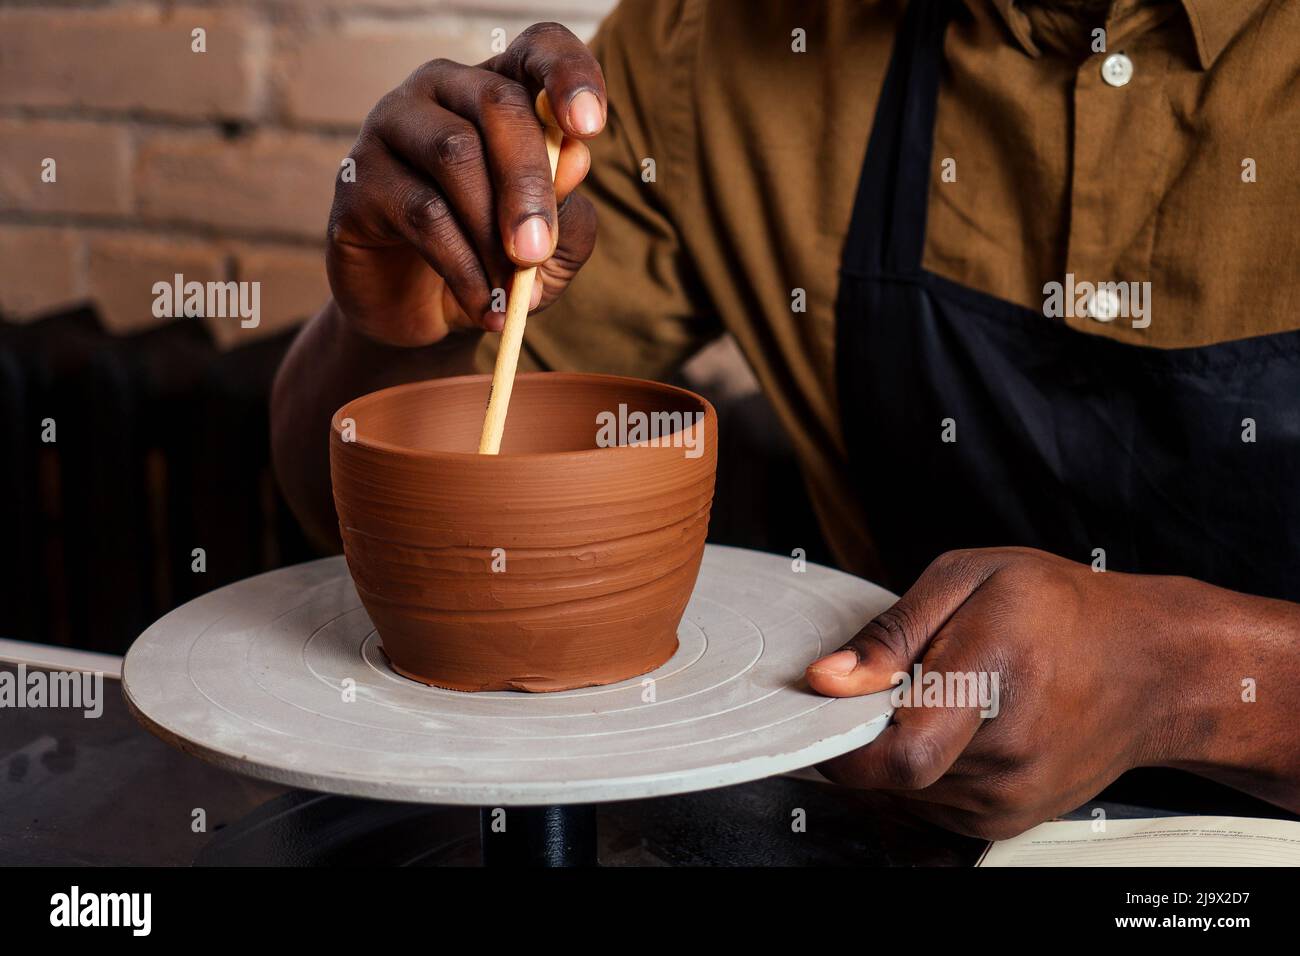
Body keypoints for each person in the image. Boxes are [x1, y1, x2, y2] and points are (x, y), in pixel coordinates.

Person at [271, 0, 1300, 838]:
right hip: (897, 826)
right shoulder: (716, 44)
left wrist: (1187, 677)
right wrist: (395, 327)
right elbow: (396, 513)